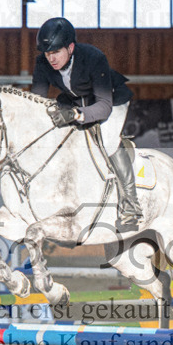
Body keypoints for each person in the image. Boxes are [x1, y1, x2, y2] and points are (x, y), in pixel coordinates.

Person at [30, 17, 143, 230]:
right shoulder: (42, 63)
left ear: (70, 47)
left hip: (111, 99)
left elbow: (103, 107)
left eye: (55, 52)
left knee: (108, 140)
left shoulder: (93, 57)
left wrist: (75, 114)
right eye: (47, 53)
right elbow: (37, 100)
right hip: (77, 100)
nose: (51, 59)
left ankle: (131, 206)